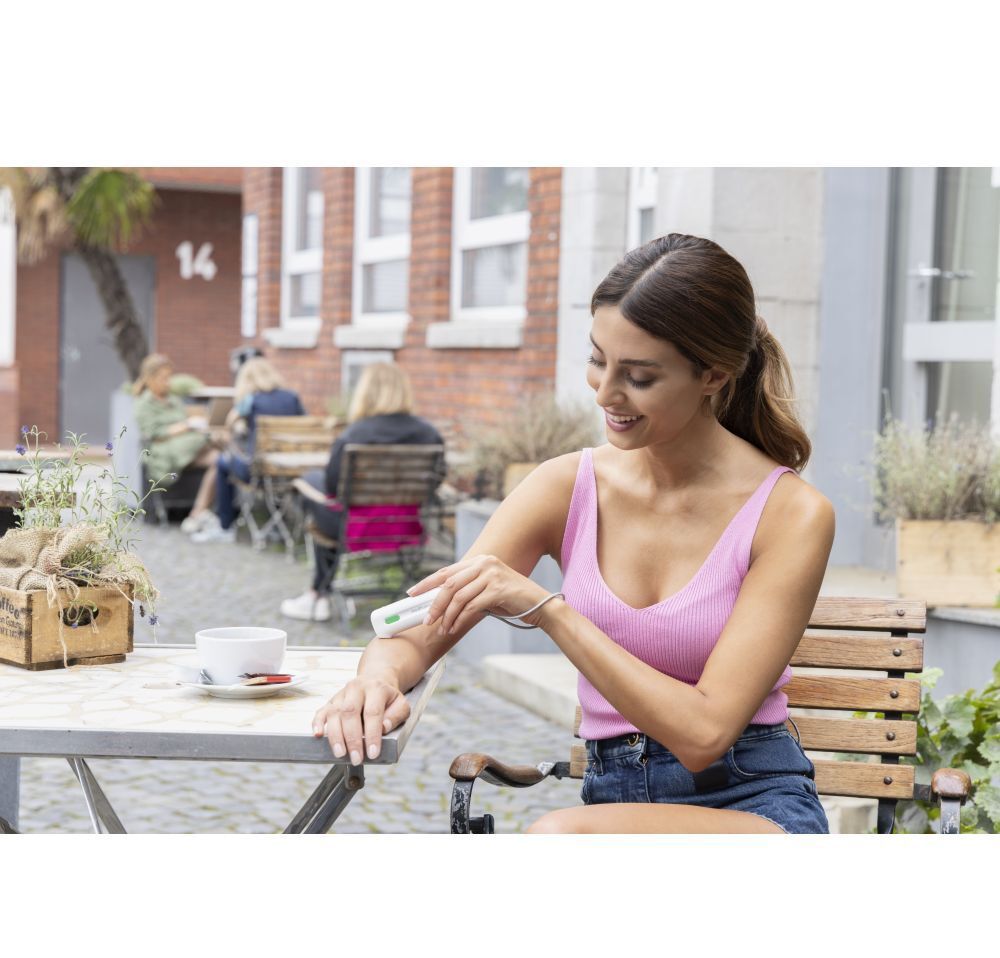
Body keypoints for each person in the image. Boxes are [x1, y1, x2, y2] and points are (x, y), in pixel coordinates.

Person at [310, 233, 836, 834]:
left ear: (713, 374)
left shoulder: (790, 513)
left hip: (754, 801)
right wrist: (374, 681)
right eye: (597, 360)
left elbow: (704, 734)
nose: (606, 394)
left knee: (556, 841)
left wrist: (548, 611)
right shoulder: (566, 486)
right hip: (613, 802)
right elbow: (417, 628)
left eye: (638, 376)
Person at [280, 361, 444, 622]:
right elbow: (435, 483)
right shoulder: (429, 434)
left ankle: (318, 594)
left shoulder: (354, 434)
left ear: (365, 391)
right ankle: (320, 593)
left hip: (356, 527)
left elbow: (333, 489)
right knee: (318, 486)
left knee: (310, 482)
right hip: (406, 527)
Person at [190, 357, 305, 544]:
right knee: (263, 466)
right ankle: (277, 525)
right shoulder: (292, 397)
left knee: (222, 462)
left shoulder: (250, 400)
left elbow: (229, 425)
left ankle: (225, 526)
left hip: (257, 472)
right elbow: (304, 424)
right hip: (290, 471)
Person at [133, 353, 220, 532]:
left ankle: (197, 513)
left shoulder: (173, 400)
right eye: (163, 378)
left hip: (188, 449)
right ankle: (215, 440)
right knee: (216, 439)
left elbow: (186, 423)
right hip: (164, 450)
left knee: (220, 460)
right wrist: (185, 426)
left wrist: (192, 426)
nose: (168, 382)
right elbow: (154, 433)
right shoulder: (143, 404)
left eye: (169, 377)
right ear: (149, 379)